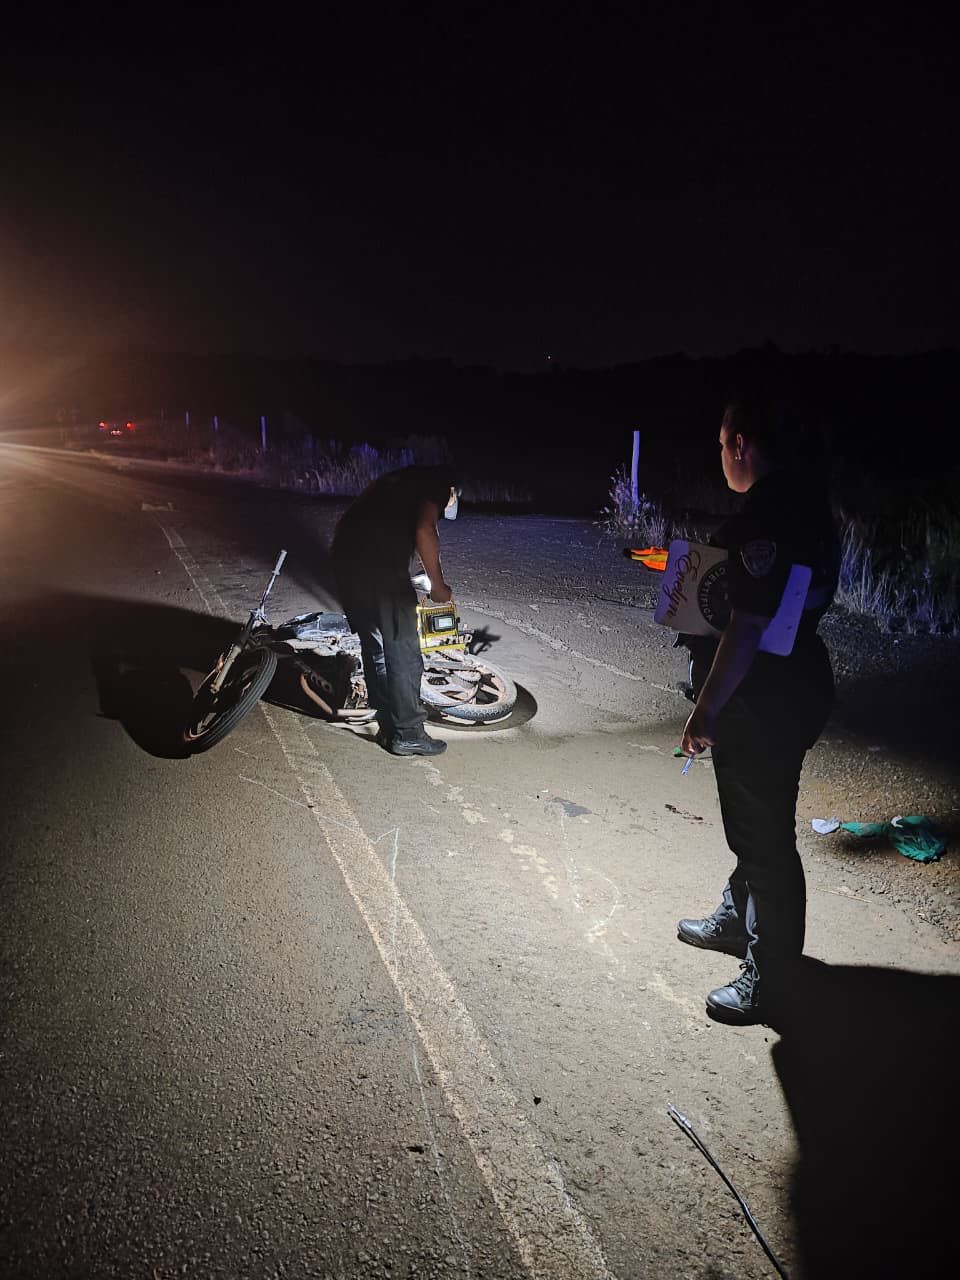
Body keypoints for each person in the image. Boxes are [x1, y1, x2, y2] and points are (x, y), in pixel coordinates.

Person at [677, 397, 839, 1026]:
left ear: (741, 444)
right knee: (758, 822)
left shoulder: (766, 516)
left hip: (763, 697)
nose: (721, 458)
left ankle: (770, 975)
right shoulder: (812, 505)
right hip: (795, 685)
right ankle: (736, 917)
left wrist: (706, 710)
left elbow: (746, 626)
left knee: (764, 840)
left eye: (722, 446)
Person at [330, 464, 461, 756]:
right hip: (379, 569)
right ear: (452, 490)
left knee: (375, 647)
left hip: (343, 561)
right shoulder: (436, 482)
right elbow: (425, 530)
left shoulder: (394, 482)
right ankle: (409, 733)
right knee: (404, 653)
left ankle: (388, 727)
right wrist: (438, 586)